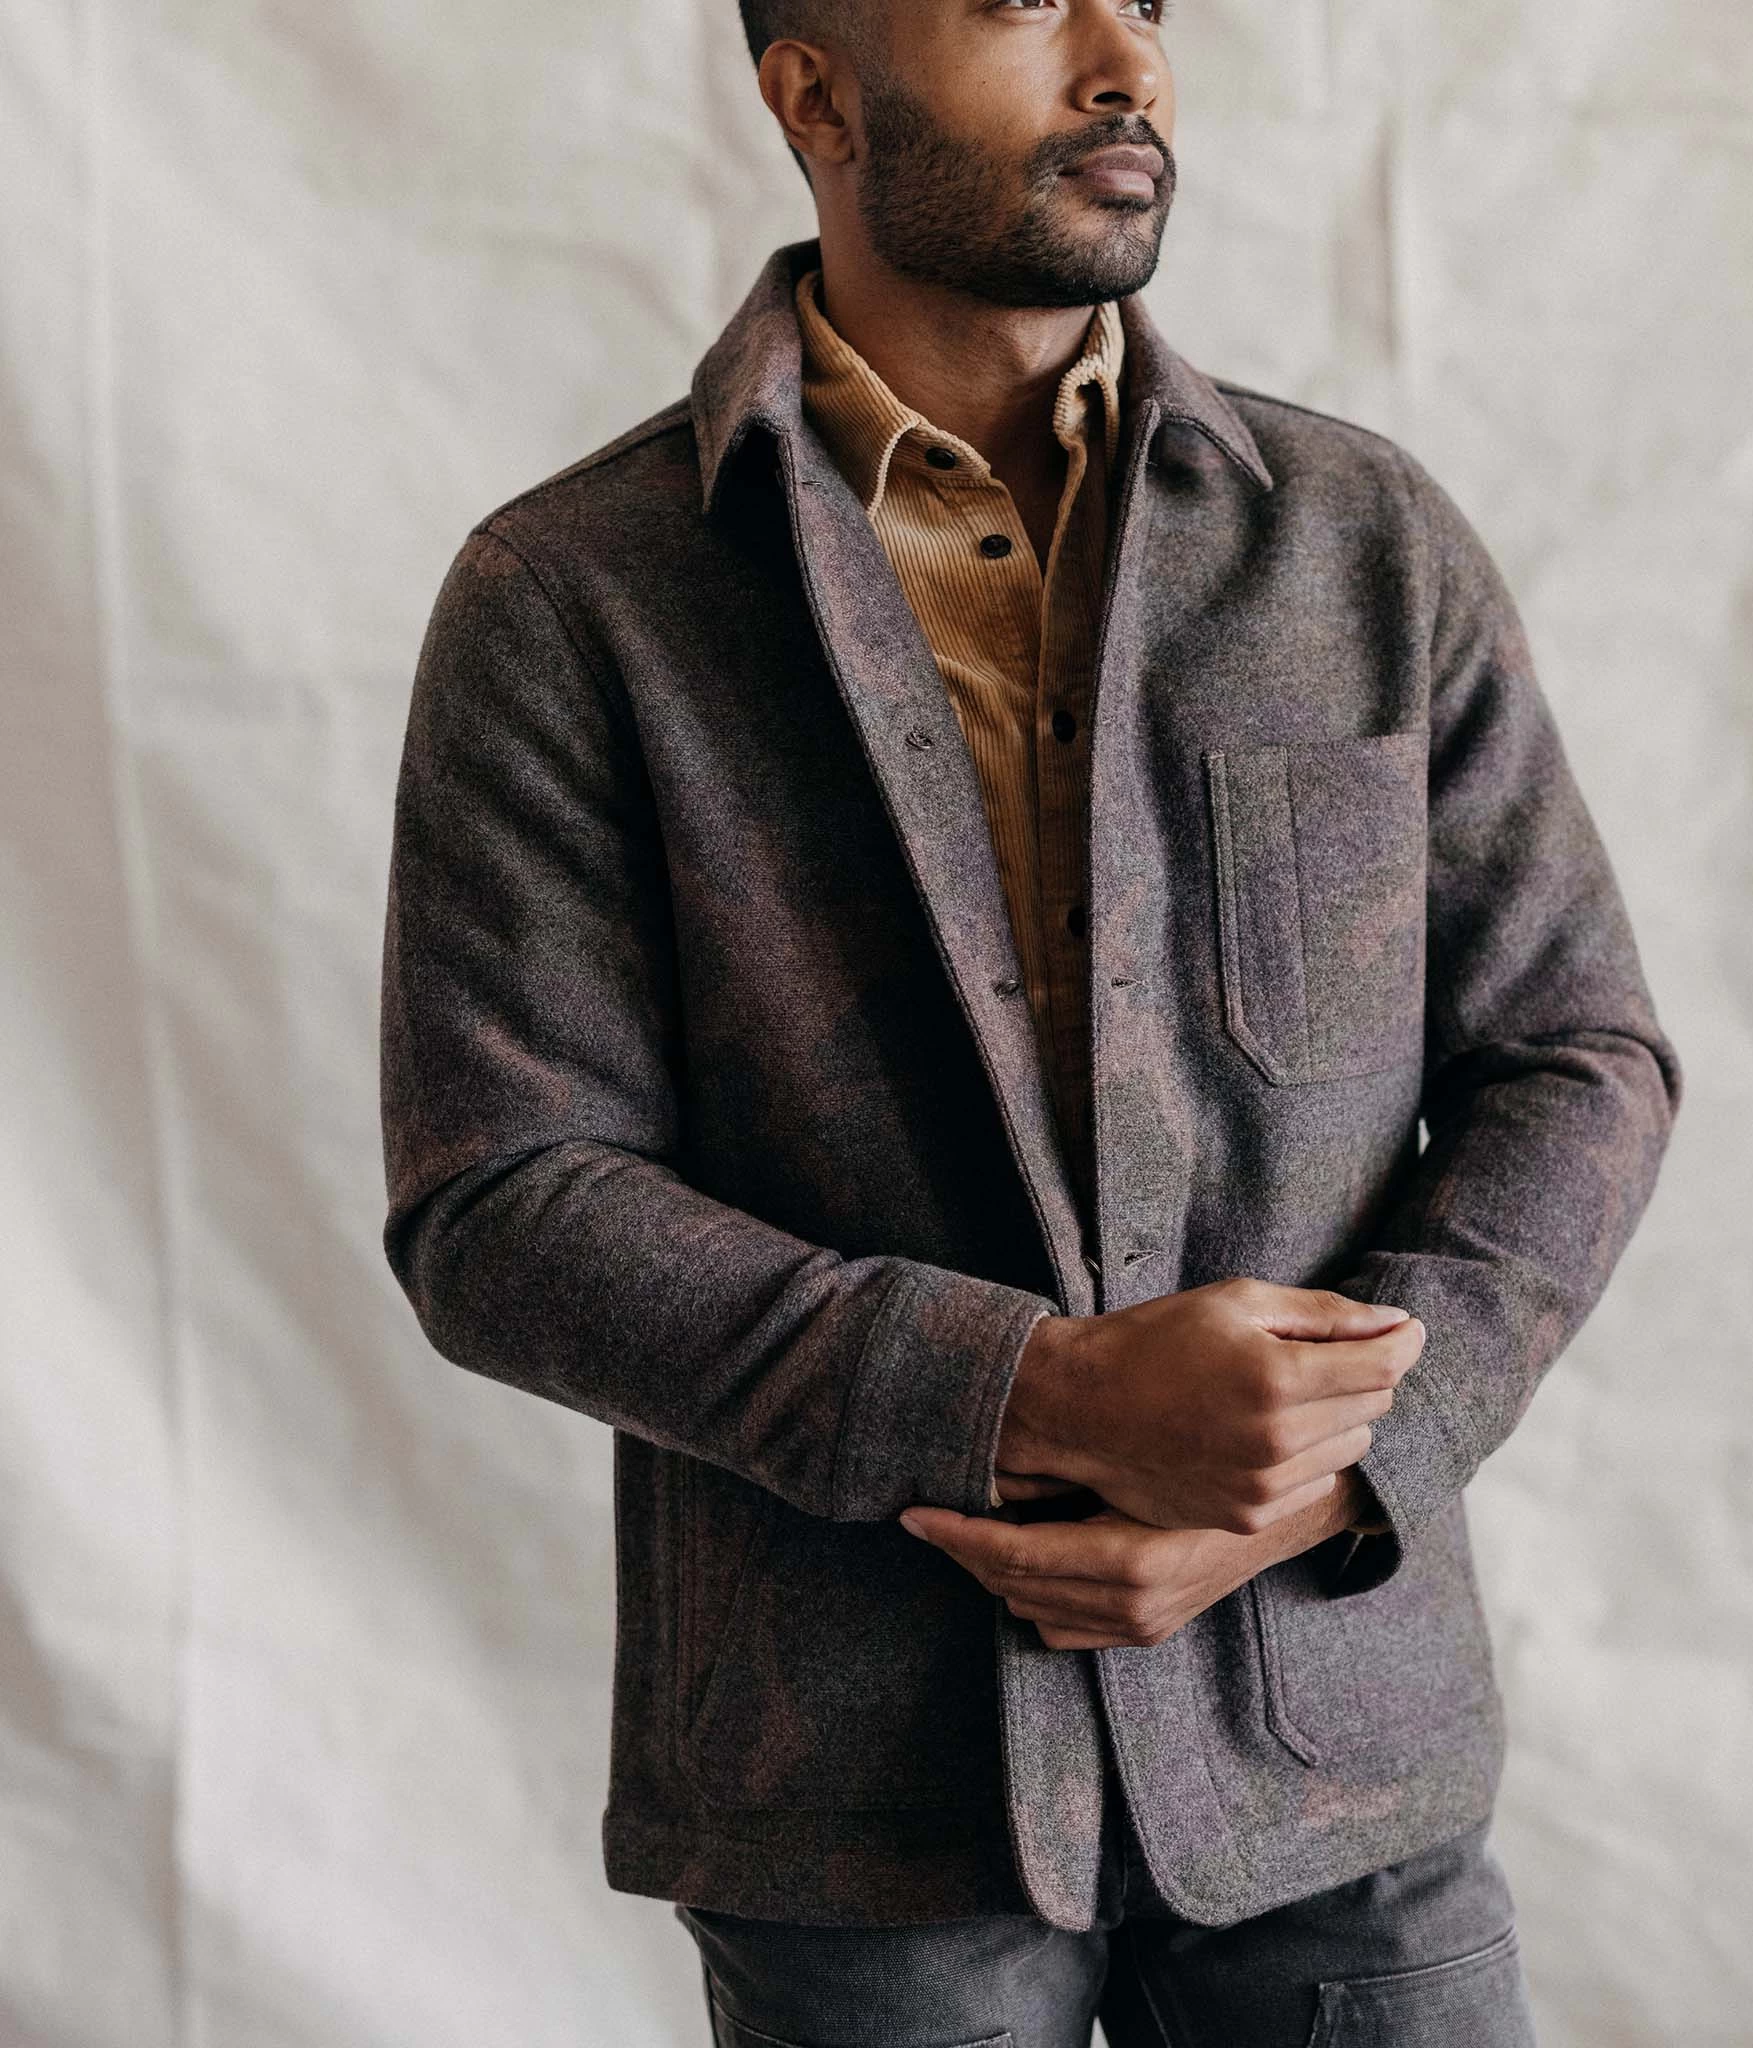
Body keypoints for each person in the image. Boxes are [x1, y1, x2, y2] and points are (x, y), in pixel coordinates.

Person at [377, 1, 1683, 2040]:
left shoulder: (1360, 540)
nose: (1123, 65)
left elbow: (1576, 1057)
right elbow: (502, 1204)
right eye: (1016, 1)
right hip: (856, 1795)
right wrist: (1039, 1395)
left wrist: (1335, 1465)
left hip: (1337, 1757)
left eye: (1142, 2)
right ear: (813, 90)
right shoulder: (580, 595)